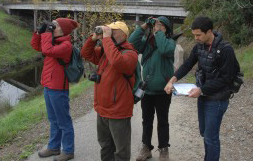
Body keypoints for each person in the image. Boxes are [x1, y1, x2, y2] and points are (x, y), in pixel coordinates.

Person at [164, 16, 237, 161]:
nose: (196, 38)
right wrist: (172, 80)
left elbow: (226, 79)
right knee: (204, 133)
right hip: (203, 96)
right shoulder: (199, 46)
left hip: (217, 99)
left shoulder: (225, 49)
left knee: (211, 137)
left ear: (209, 31)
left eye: (198, 35)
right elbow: (187, 64)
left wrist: (201, 89)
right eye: (194, 35)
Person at [81, 21, 138, 161]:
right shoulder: (106, 51)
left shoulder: (131, 54)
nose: (109, 33)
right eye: (108, 30)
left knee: (121, 150)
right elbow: (85, 53)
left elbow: (117, 62)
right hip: (102, 109)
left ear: (123, 34)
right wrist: (93, 39)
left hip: (118, 111)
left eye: (113, 31)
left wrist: (106, 39)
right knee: (105, 145)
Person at [128, 16, 176, 161]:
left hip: (163, 90)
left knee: (163, 121)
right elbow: (131, 43)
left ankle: (163, 149)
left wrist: (159, 32)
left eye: (161, 25)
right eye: (156, 25)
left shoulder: (170, 42)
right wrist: (144, 26)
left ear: (167, 29)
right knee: (146, 120)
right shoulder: (147, 42)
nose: (157, 27)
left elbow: (163, 49)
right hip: (147, 90)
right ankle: (146, 148)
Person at [30, 18, 78, 161]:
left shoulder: (66, 45)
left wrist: (47, 33)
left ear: (63, 30)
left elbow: (47, 50)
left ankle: (68, 150)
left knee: (63, 121)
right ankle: (54, 147)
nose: (51, 27)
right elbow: (36, 46)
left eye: (54, 26)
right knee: (53, 119)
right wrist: (39, 32)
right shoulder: (53, 41)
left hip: (58, 88)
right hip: (48, 85)